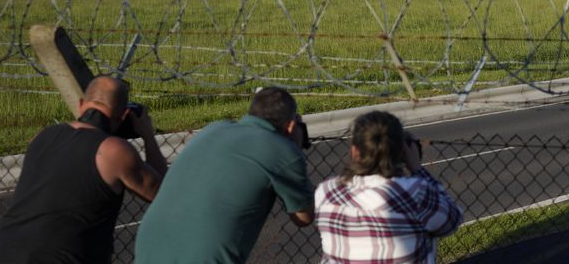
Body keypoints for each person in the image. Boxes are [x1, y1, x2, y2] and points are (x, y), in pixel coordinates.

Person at [0, 75, 166, 264]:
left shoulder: (42, 137)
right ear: (124, 115)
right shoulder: (112, 151)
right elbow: (164, 193)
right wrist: (148, 135)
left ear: (81, 104)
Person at [134, 87, 314, 263]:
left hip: (148, 249)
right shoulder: (282, 150)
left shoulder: (214, 129)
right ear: (291, 125)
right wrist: (294, 148)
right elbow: (303, 217)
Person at [316, 111, 463, 264]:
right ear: (402, 152)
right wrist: (417, 168)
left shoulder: (326, 191)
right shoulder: (415, 192)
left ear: (354, 152)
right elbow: (452, 221)